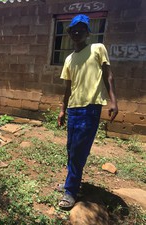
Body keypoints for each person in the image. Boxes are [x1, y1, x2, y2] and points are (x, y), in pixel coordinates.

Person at [57, 14, 118, 209]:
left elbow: (108, 75)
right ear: (69, 33)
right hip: (74, 109)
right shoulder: (68, 59)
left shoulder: (97, 49)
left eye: (81, 29)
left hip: (90, 108)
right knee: (70, 149)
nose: (76, 32)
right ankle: (71, 183)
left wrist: (113, 101)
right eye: (73, 29)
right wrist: (62, 110)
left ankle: (71, 191)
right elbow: (68, 88)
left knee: (78, 151)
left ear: (87, 32)